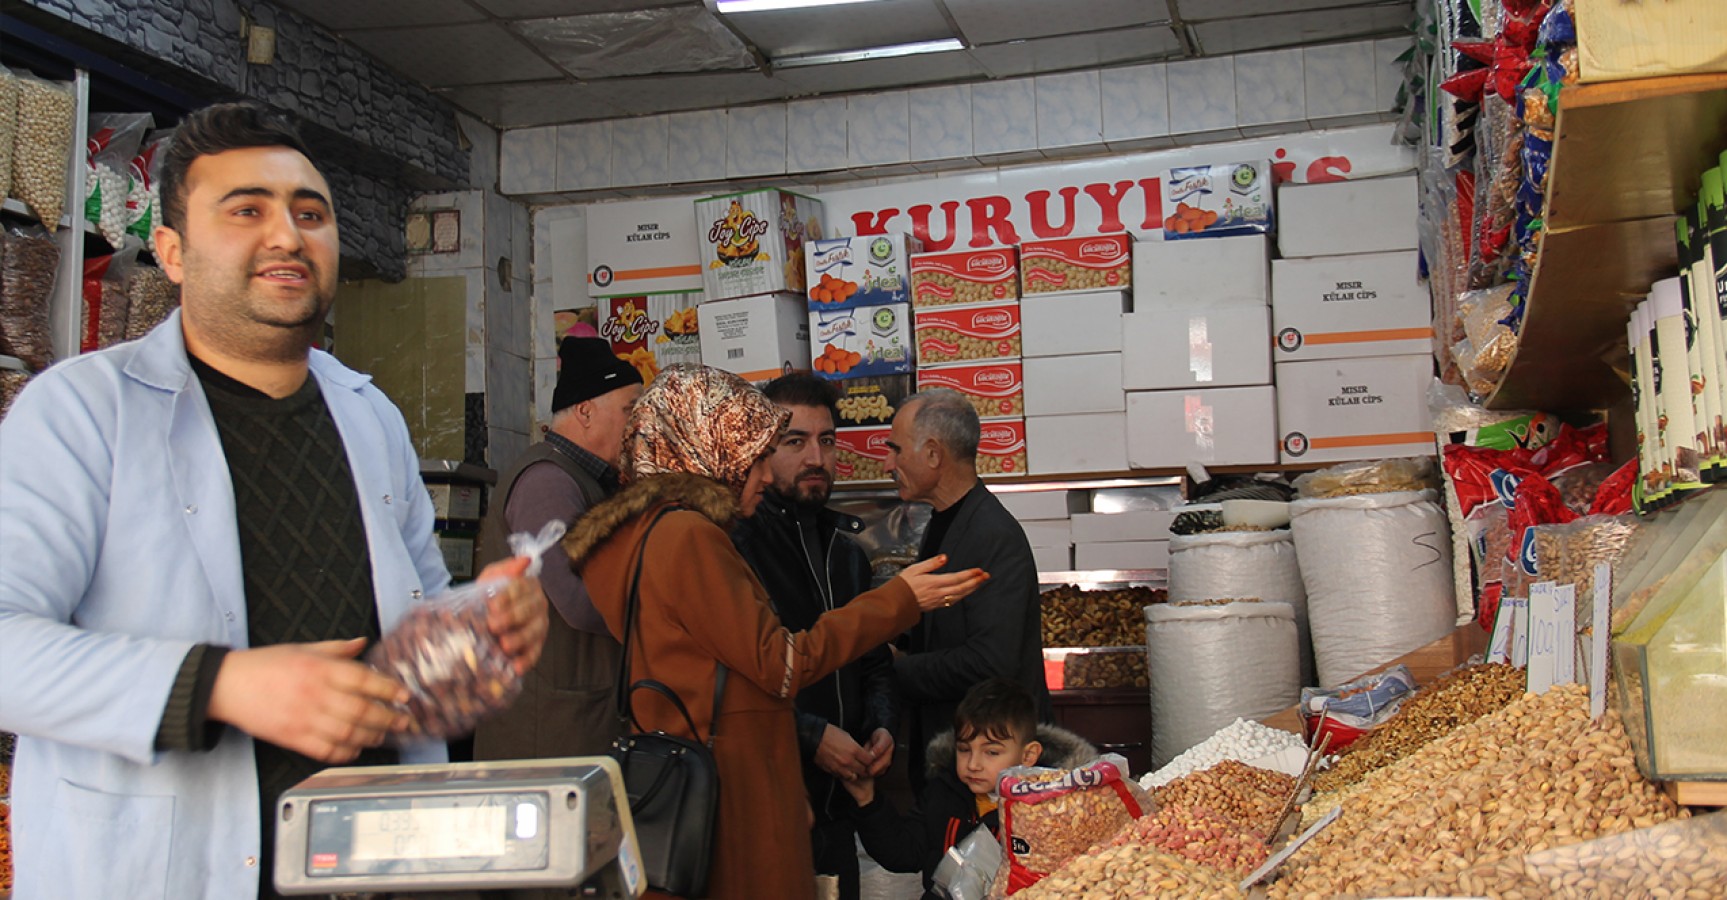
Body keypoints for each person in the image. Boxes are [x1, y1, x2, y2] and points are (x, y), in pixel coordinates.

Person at [0, 101, 549, 900]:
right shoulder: (81, 412)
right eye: (246, 210)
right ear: (173, 252)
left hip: (371, 868)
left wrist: (481, 630)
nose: (287, 235)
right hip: (162, 873)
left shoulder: (369, 414)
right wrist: (221, 686)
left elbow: (416, 623)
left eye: (309, 212)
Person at [562, 364, 988, 900]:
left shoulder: (646, 535)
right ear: (708, 447)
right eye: (756, 456)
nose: (766, 474)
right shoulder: (688, 537)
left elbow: (723, 669)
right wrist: (900, 599)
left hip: (722, 786)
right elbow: (782, 664)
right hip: (730, 801)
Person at [730, 373, 895, 900]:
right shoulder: (735, 548)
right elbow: (734, 676)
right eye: (795, 442)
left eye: (827, 441)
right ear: (761, 449)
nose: (816, 458)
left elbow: (873, 661)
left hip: (840, 807)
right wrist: (812, 736)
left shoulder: (847, 553)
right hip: (770, 809)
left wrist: (882, 726)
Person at [473, 336, 644, 768]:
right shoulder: (547, 479)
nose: (639, 424)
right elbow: (577, 601)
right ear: (585, 411)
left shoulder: (589, 479)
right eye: (629, 410)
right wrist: (661, 616)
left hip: (576, 721)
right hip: (547, 732)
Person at [883, 388, 1051, 787]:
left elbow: (990, 662)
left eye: (896, 449)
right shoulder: (946, 520)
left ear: (933, 455)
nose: (888, 462)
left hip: (993, 773)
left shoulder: (993, 535)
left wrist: (896, 670)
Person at [842, 678, 1097, 899]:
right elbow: (902, 853)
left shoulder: (1050, 809)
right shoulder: (943, 793)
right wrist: (868, 801)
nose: (973, 764)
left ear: (1028, 755)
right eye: (964, 750)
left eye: (992, 752)